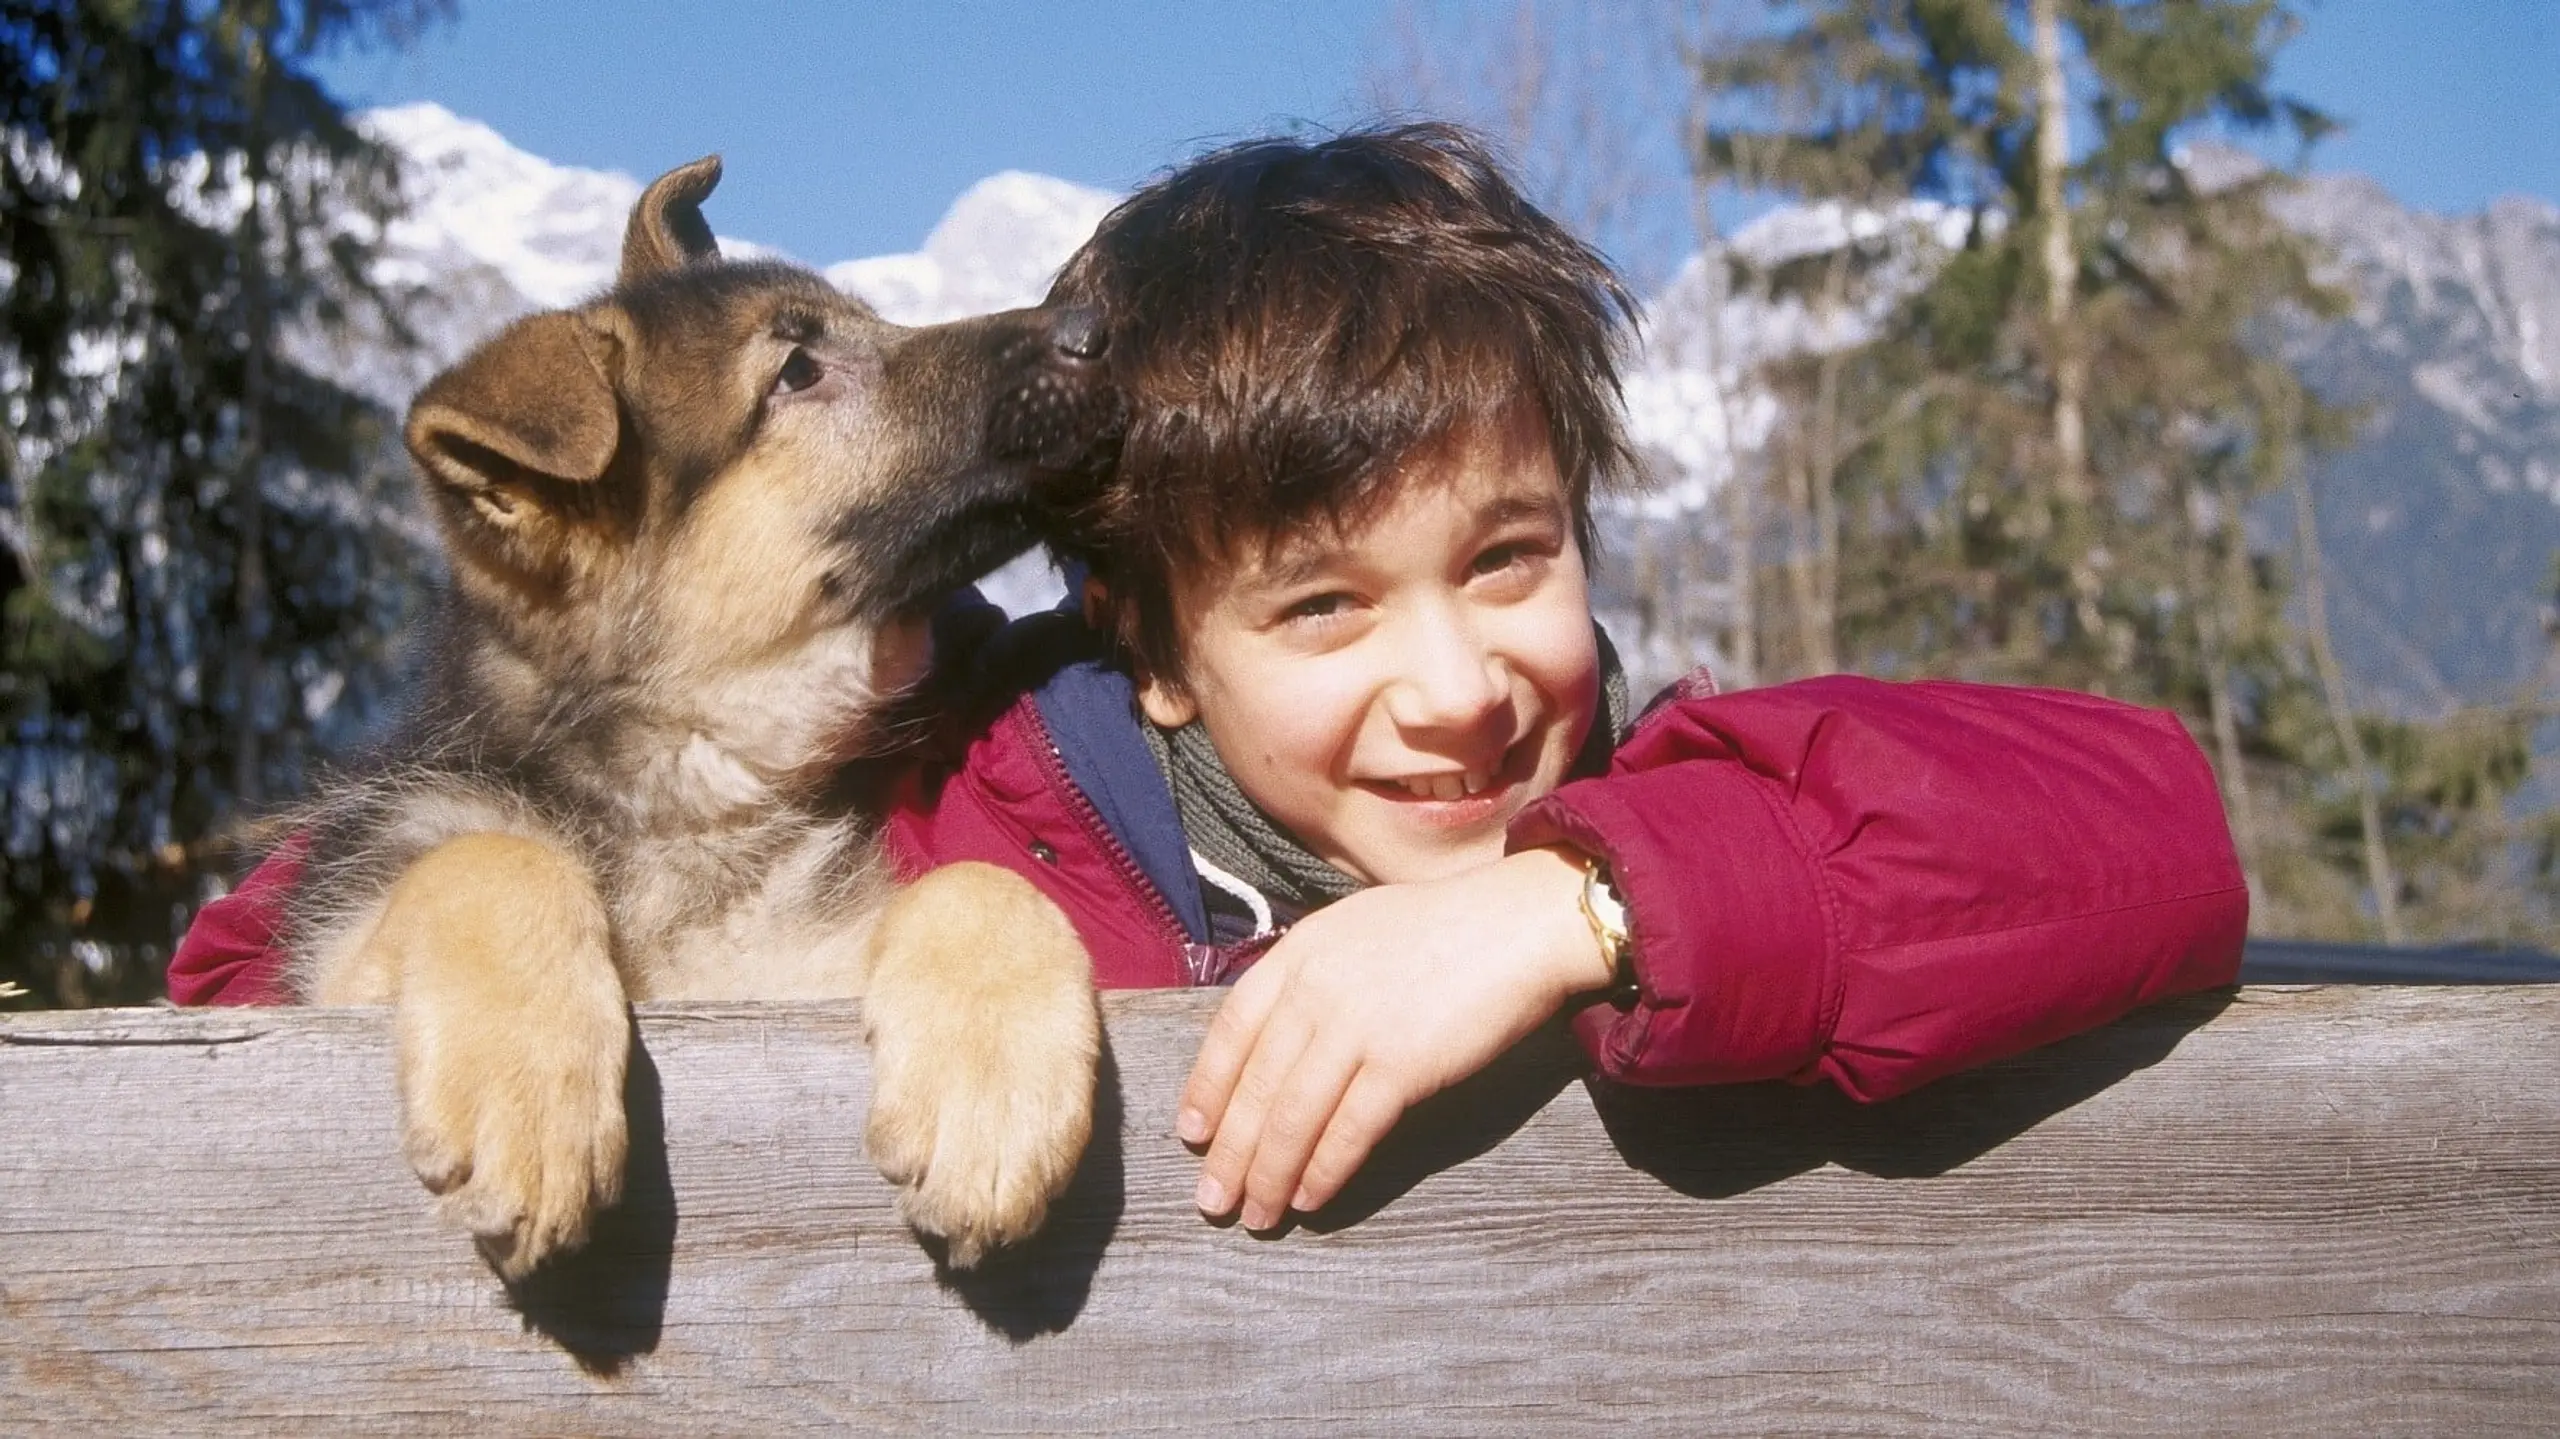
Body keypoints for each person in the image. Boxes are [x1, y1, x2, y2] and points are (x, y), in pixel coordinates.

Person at [169, 125, 2248, 1237]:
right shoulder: (973, 797)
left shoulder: (1683, 783)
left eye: (1508, 560)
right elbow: (251, 973)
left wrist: (1578, 900)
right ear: (1145, 650)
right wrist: (480, 915)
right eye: (1321, 608)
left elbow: (2148, 828)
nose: (1452, 687)